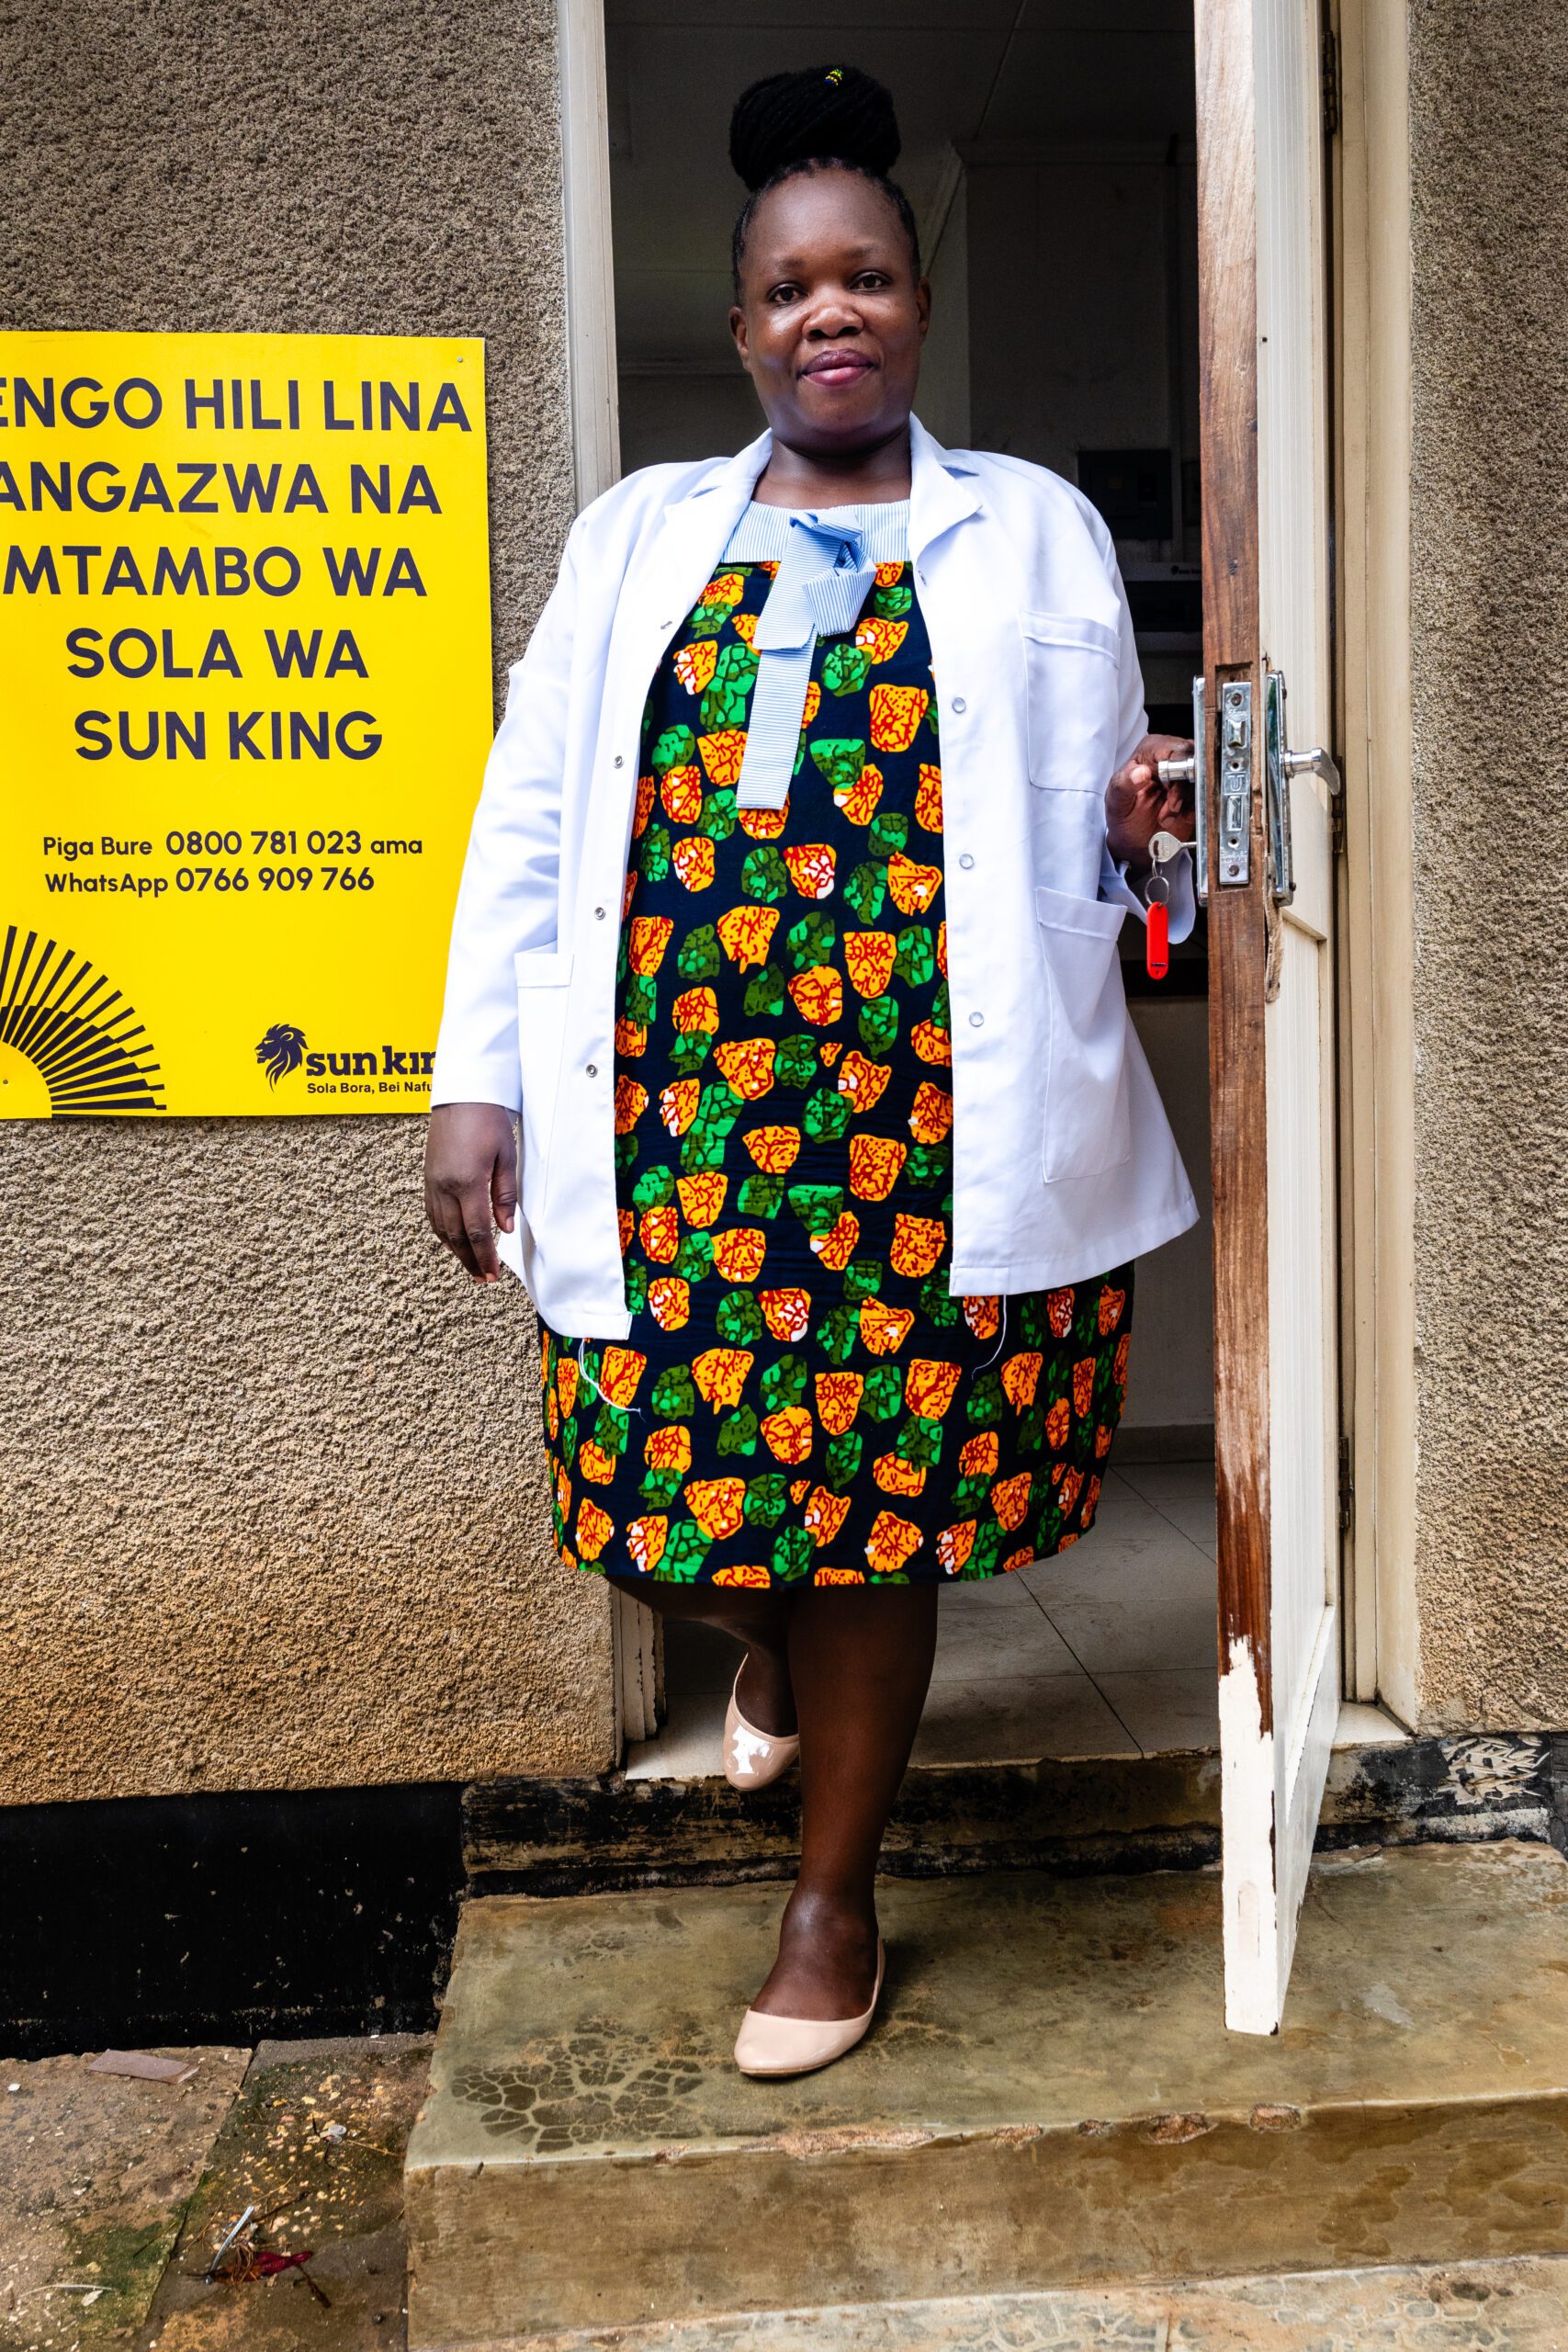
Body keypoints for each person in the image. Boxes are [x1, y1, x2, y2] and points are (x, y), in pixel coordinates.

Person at [425, 64, 1198, 2077]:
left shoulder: (1031, 531)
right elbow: (528, 818)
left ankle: (830, 1902)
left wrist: (1148, 845)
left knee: (880, 1518)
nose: (826, 311)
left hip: (928, 1130)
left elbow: (1105, 848)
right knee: (647, 1506)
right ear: (743, 321)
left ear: (915, 304)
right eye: (788, 287)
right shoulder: (635, 537)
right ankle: (760, 1647)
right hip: (673, 1120)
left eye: (863, 275)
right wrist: (474, 1079)